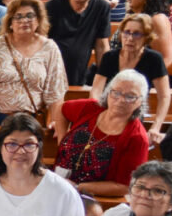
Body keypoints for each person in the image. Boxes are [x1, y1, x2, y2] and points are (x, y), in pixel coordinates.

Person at [0, 0, 68, 139]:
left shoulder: (50, 48)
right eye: (18, 17)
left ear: (38, 20)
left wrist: (55, 121)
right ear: (10, 22)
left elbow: (56, 90)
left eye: (30, 16)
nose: (24, 20)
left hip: (31, 121)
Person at [53, 69, 150, 197]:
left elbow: (124, 187)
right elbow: (61, 109)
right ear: (108, 92)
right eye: (116, 93)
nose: (121, 100)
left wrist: (77, 187)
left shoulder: (137, 138)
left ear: (140, 101)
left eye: (130, 96)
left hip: (91, 198)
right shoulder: (91, 108)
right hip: (57, 183)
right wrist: (61, 139)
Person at [91, 13, 170, 143]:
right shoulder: (109, 57)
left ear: (146, 37)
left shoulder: (154, 59)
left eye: (137, 34)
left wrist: (156, 126)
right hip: (108, 111)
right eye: (126, 32)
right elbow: (96, 90)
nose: (130, 38)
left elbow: (164, 96)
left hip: (134, 113)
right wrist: (98, 113)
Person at [46, 0, 111, 85]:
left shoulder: (101, 8)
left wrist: (104, 78)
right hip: (50, 72)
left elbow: (102, 45)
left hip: (78, 73)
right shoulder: (52, 6)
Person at [124, 0, 172, 68]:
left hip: (141, 73)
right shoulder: (132, 17)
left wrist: (147, 76)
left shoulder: (157, 19)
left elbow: (167, 58)